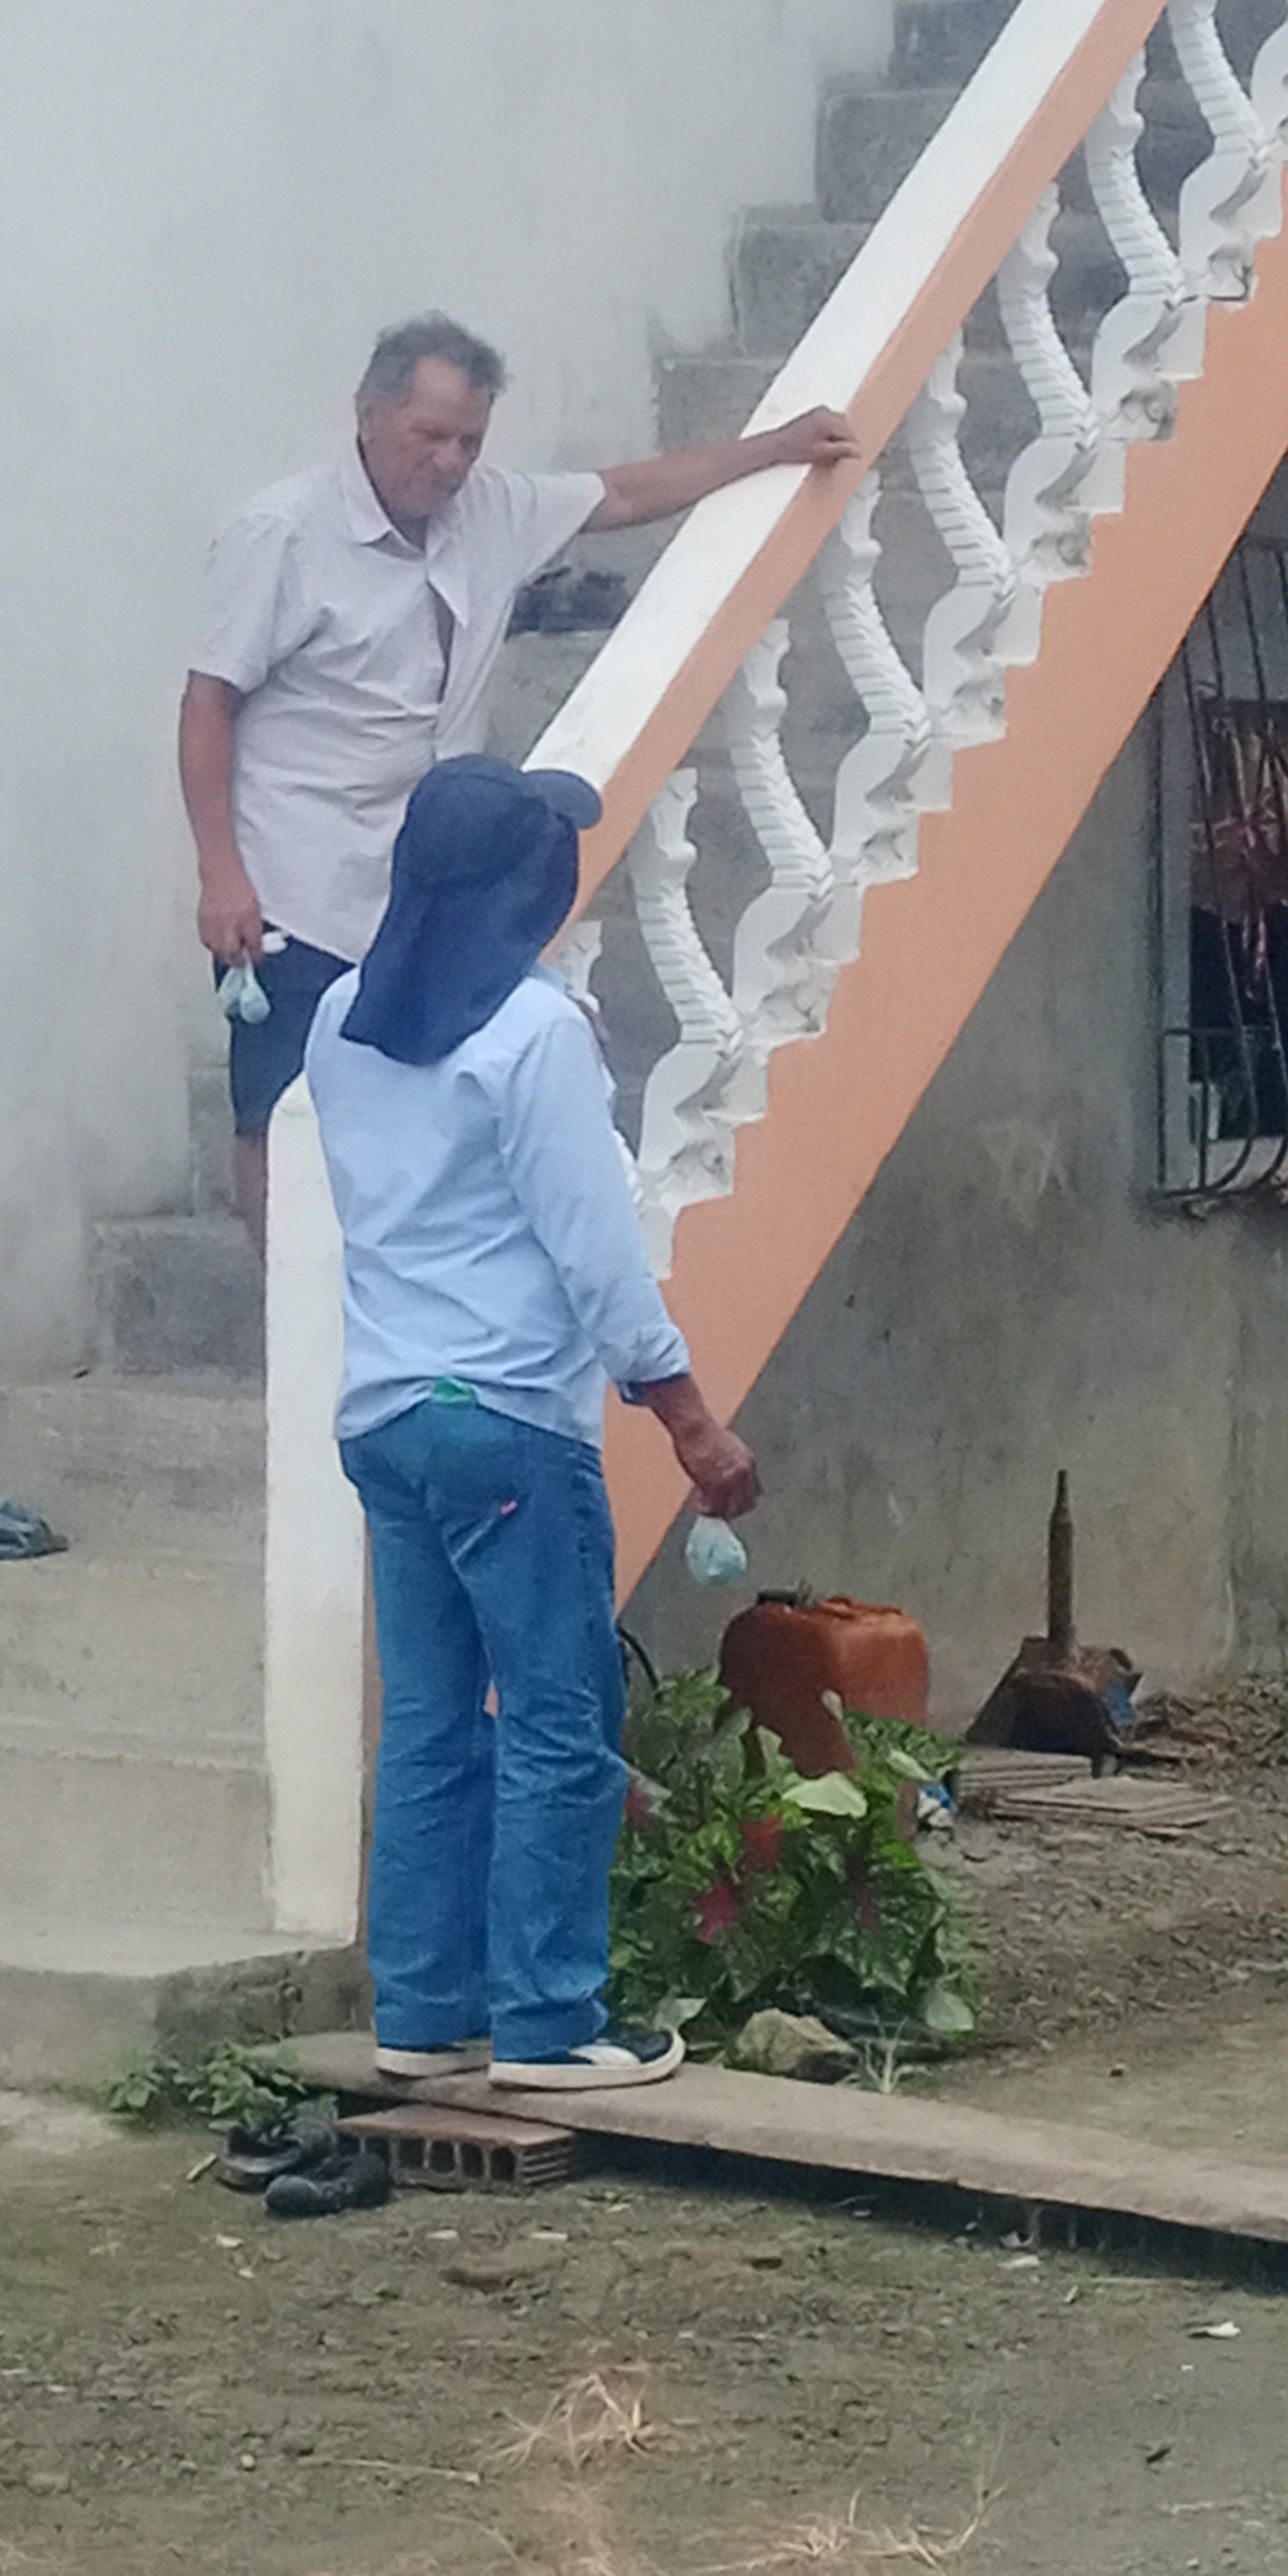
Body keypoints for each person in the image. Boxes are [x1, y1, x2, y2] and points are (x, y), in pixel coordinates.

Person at [181, 316, 860, 1239]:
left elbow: (624, 493)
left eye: (470, 440)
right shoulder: (282, 534)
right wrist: (221, 872)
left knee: (423, 1105)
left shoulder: (492, 510)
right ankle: (288, 1297)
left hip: (427, 884)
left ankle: (390, 1293)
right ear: (368, 416)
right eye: (430, 435)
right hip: (294, 882)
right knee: (279, 1109)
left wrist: (774, 447)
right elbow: (208, 705)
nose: (450, 463)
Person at [304, 755, 763, 2093]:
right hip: (506, 1422)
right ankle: (552, 2022)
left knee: (432, 1723)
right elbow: (595, 1252)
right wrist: (689, 1418)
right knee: (561, 1719)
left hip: (388, 1420)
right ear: (523, 890)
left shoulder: (339, 1018)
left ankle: (422, 2011)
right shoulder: (534, 1034)